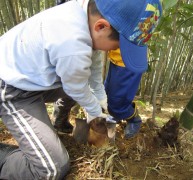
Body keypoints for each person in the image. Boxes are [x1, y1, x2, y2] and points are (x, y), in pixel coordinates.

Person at [0, 0, 162, 179]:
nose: (117, 50)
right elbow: (75, 87)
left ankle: (58, 124)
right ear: (101, 27)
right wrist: (94, 112)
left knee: (80, 86)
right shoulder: (71, 42)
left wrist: (101, 99)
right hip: (12, 88)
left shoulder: (85, 16)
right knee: (51, 169)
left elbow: (93, 68)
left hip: (33, 77)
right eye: (118, 46)